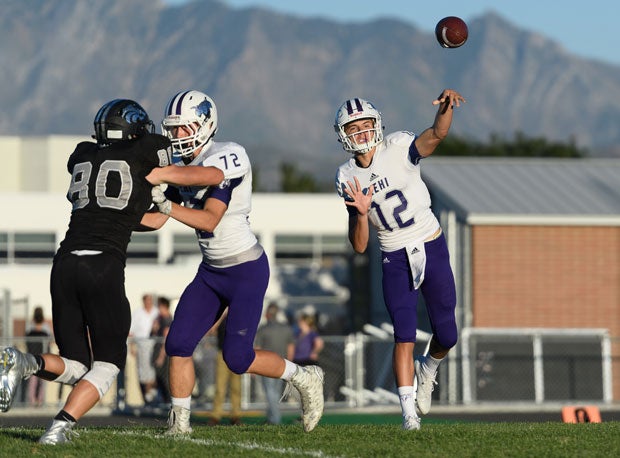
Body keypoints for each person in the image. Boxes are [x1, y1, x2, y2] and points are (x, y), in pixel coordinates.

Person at [0, 98, 224, 445]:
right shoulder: (148, 150)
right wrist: (172, 190)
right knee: (109, 364)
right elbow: (190, 171)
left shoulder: (82, 154)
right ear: (134, 130)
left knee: (76, 365)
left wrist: (158, 209)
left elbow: (125, 214)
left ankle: (23, 361)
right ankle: (59, 429)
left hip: (64, 264)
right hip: (102, 265)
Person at [141, 89, 324, 435]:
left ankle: (303, 376)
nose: (177, 135)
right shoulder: (181, 169)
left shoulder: (228, 155)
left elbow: (209, 216)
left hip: (245, 271)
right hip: (211, 272)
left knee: (237, 358)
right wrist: (115, 219)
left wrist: (164, 189)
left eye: (184, 128)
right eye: (173, 128)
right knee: (177, 343)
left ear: (206, 124)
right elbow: (156, 220)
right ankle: (179, 426)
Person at [333, 90, 464, 431]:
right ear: (343, 136)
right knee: (403, 334)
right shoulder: (347, 177)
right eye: (353, 128)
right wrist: (360, 214)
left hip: (431, 245)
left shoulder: (399, 147)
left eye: (365, 125)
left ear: (377, 125)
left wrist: (447, 108)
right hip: (394, 255)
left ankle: (429, 369)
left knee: (447, 334)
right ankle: (409, 416)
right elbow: (360, 246)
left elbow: (437, 134)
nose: (361, 133)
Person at [254, 302, 294, 425]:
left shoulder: (263, 329)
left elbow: (258, 348)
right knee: (275, 393)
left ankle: (275, 419)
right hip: (282, 365)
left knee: (270, 393)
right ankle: (271, 417)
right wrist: (290, 364)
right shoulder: (286, 328)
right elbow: (291, 348)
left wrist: (255, 366)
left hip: (266, 366)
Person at [208, 312, 242, 426]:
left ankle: (235, 416)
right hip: (222, 354)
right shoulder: (220, 317)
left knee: (236, 387)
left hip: (236, 354)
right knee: (220, 387)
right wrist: (222, 314)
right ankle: (216, 415)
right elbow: (211, 330)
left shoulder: (239, 316)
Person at [129, 293, 159, 405]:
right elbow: (131, 332)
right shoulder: (137, 313)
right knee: (144, 370)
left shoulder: (156, 313)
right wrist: (132, 347)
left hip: (155, 345)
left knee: (154, 369)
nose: (149, 303)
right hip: (142, 345)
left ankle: (153, 392)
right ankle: (148, 394)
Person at [25, 306, 51, 407]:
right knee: (42, 380)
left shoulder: (29, 328)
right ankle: (39, 401)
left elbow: (27, 341)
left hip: (33, 357)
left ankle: (32, 401)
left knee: (33, 381)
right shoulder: (46, 328)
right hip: (43, 358)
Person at [151, 296, 173, 405]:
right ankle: (163, 400)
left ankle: (168, 400)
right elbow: (154, 333)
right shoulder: (159, 319)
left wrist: (161, 357)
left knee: (164, 378)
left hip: (163, 353)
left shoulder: (168, 320)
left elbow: (165, 339)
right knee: (158, 377)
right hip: (158, 350)